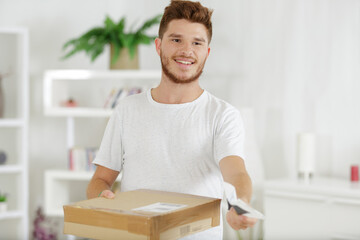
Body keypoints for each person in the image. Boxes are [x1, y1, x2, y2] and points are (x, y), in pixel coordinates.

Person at [87, 0, 258, 239]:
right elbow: (101, 180)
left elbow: (236, 173)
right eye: (176, 40)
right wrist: (102, 197)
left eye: (197, 42)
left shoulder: (222, 115)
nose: (187, 50)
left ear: (207, 52)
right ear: (158, 46)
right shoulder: (127, 110)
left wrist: (239, 204)